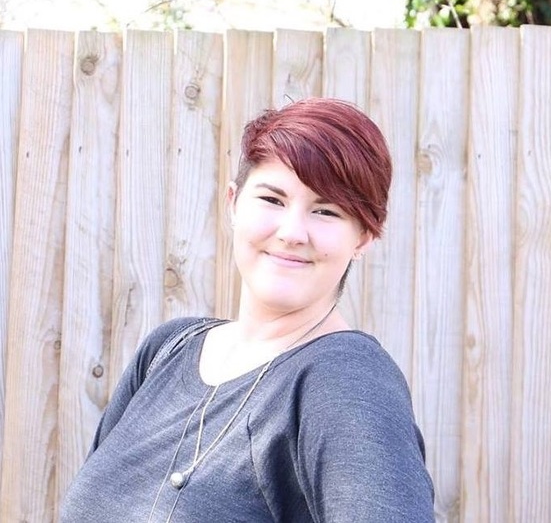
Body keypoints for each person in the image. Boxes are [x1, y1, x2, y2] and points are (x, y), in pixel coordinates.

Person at [60, 98, 435, 522]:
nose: (292, 232)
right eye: (273, 199)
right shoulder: (166, 351)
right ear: (233, 202)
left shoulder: (346, 379)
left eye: (325, 211)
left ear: (363, 237)